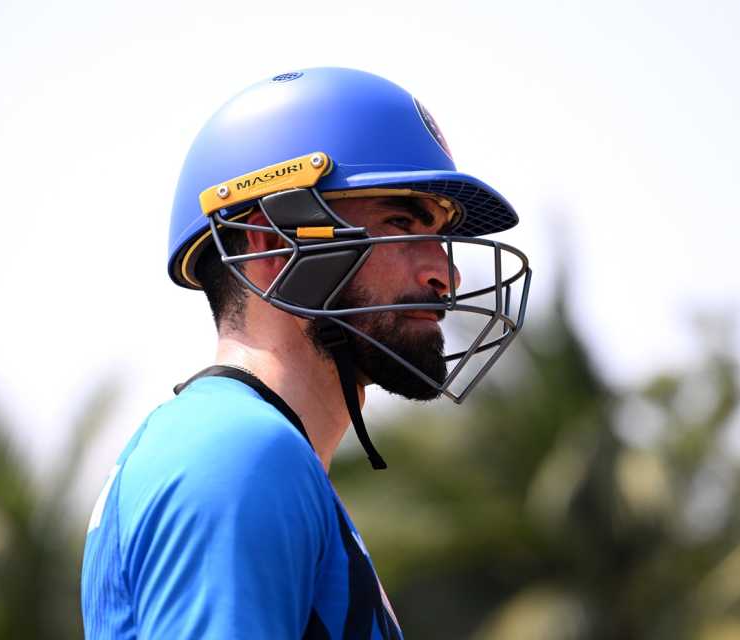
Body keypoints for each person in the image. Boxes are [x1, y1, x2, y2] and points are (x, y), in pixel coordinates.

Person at [81, 67, 531, 639]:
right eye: (400, 222)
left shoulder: (245, 450)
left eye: (440, 235)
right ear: (273, 244)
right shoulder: (237, 454)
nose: (446, 273)